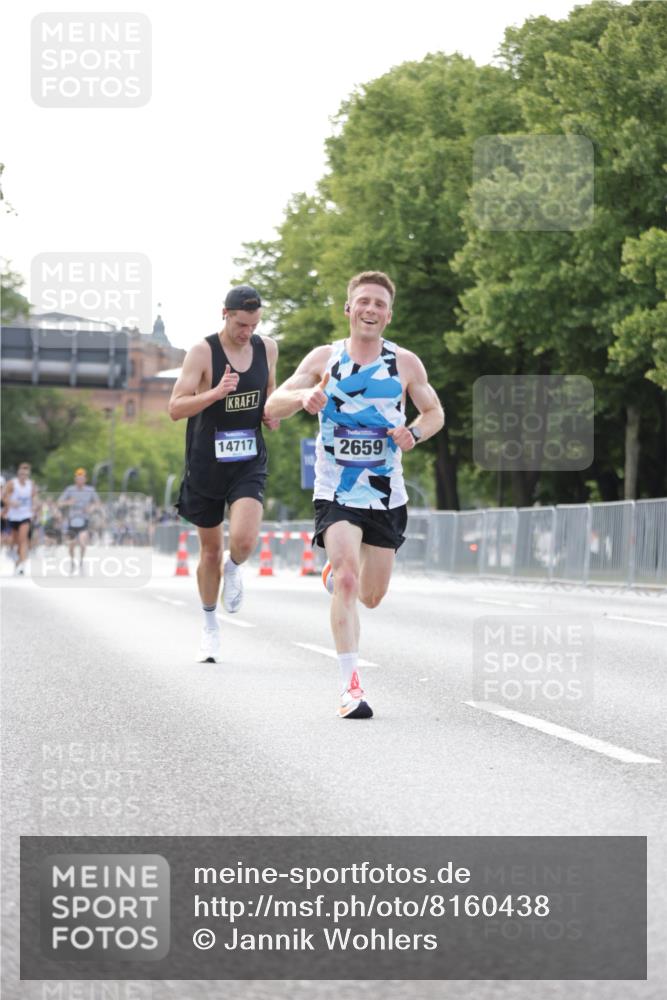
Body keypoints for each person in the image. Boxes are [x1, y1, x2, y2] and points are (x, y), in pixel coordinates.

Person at [264, 270, 444, 718]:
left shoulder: (405, 363)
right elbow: (272, 406)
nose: (370, 309)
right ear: (349, 308)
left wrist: (415, 434)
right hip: (336, 488)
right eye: (363, 301)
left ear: (388, 314)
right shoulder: (325, 358)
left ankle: (336, 577)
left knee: (371, 595)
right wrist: (305, 396)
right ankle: (351, 689)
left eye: (379, 304)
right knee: (347, 577)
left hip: (386, 494)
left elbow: (435, 412)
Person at [169, 285, 280, 663]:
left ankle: (236, 568)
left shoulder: (267, 348)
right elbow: (175, 407)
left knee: (244, 541)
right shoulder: (202, 353)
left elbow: (270, 391)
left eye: (253, 324)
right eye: (241, 324)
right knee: (210, 551)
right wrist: (215, 394)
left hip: (248, 459)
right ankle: (209, 626)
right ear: (225, 314)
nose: (247, 332)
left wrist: (272, 412)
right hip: (205, 463)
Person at [58, 468, 101, 574]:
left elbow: (98, 503)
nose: (80, 480)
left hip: (84, 519)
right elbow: (59, 502)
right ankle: (73, 562)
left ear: (85, 479)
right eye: (78, 478)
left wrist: (91, 507)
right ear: (75, 479)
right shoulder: (69, 489)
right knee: (71, 545)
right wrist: (69, 502)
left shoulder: (90, 490)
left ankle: (81, 561)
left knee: (82, 542)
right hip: (72, 520)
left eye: (82, 478)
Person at [3, 462, 39, 575]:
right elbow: (3, 497)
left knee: (23, 540)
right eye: (21, 474)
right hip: (13, 516)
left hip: (25, 515)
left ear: (28, 475)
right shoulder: (12, 484)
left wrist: (34, 507)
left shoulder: (31, 484)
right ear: (18, 474)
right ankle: (16, 558)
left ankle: (22, 564)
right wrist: (11, 502)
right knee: (13, 541)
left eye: (26, 474)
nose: (23, 476)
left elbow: (34, 498)